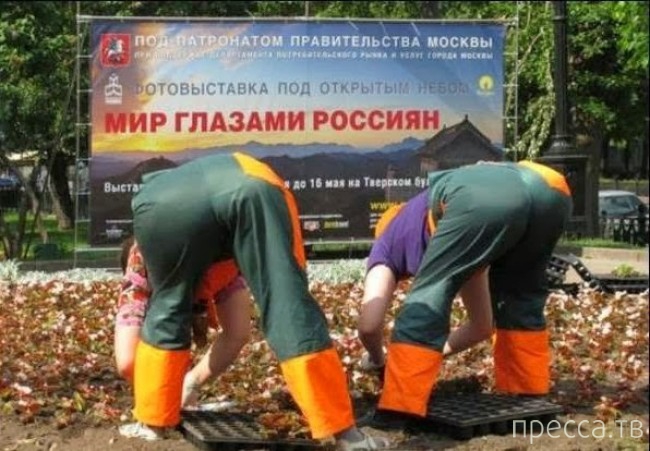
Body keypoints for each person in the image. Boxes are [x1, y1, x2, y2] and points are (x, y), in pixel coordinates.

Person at [128, 151, 388, 450]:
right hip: (251, 186)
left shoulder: (153, 196)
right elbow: (275, 285)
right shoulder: (251, 180)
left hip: (156, 209)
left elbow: (188, 293)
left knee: (166, 309)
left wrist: (188, 373)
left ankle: (152, 421)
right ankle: (346, 435)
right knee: (287, 301)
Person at [357, 160, 573, 418]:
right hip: (550, 188)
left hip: (482, 200)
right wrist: (431, 355)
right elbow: (482, 326)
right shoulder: (459, 238)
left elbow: (369, 326)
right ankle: (528, 391)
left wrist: (379, 360)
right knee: (520, 296)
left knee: (427, 296)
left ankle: (399, 408)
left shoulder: (386, 245)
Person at [115, 236, 252, 440]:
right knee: (130, 361)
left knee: (238, 331)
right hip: (165, 260)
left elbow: (237, 333)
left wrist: (191, 383)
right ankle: (157, 406)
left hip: (215, 258)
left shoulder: (222, 259)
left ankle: (181, 390)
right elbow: (128, 362)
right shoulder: (143, 263)